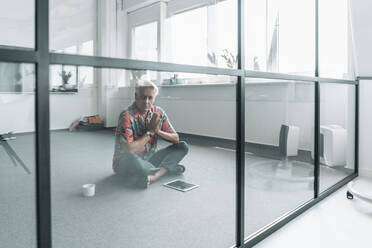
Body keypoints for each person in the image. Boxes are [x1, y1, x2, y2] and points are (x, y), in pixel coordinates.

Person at [112, 80, 189, 188]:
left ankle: (154, 176)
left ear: (154, 98)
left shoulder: (158, 112)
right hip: (126, 161)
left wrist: (158, 131)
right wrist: (150, 132)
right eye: (143, 97)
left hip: (150, 158)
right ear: (136, 96)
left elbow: (175, 138)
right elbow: (129, 149)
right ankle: (166, 169)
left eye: (150, 98)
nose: (147, 101)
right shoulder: (126, 116)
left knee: (182, 146)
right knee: (133, 160)